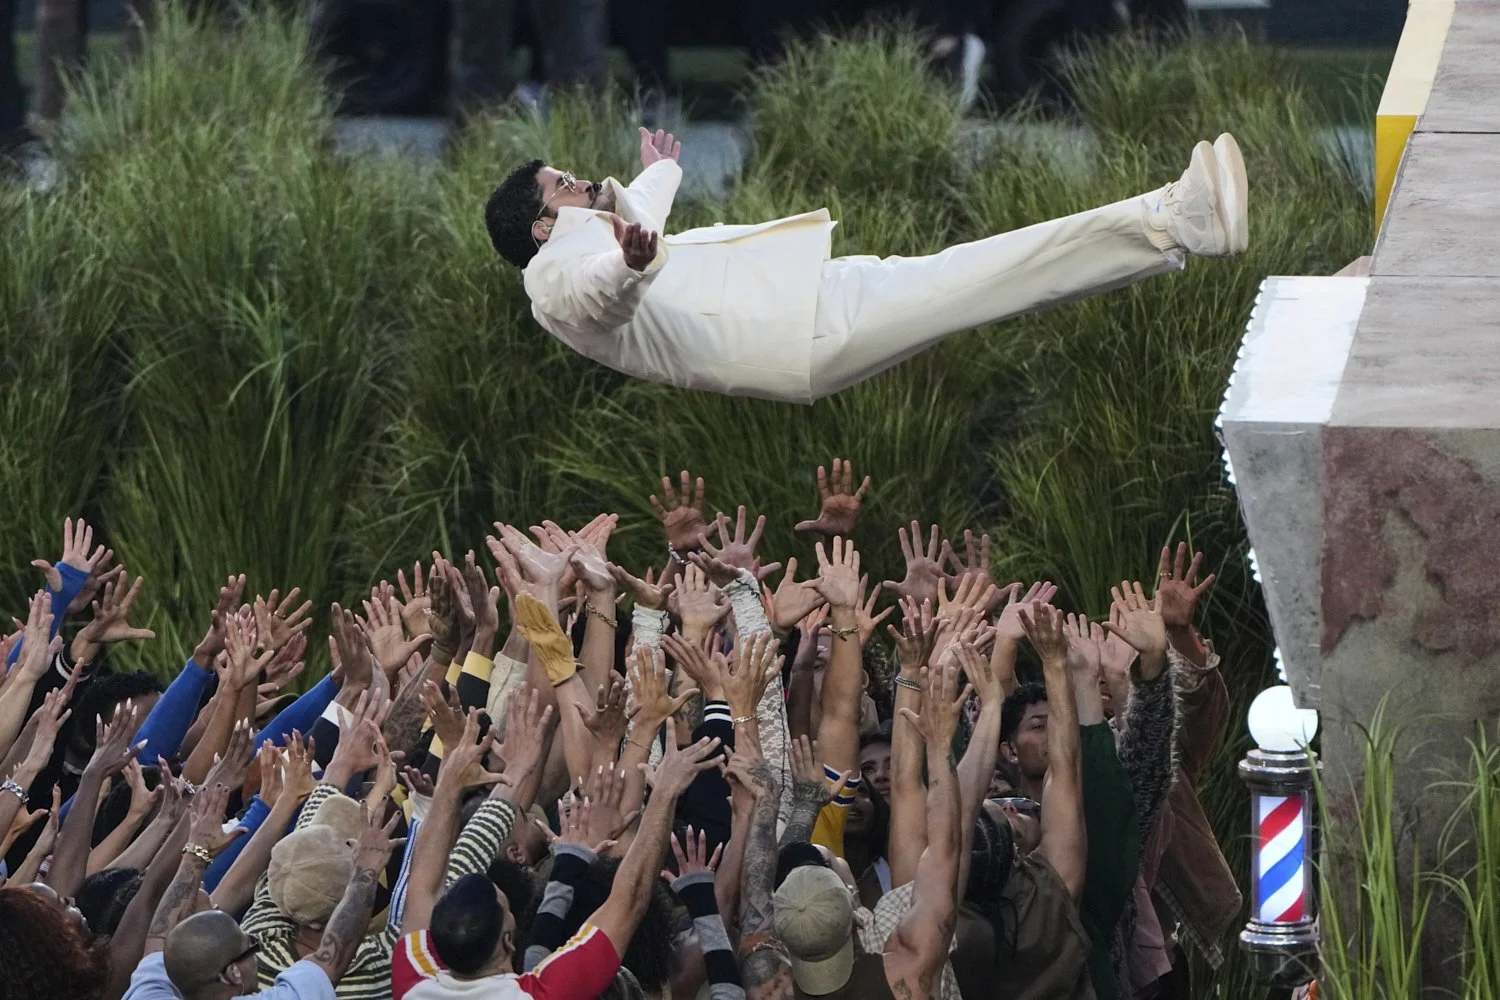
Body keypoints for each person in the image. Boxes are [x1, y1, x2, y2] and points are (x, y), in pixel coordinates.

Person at [483, 127, 1249, 404]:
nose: (583, 182)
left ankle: (1168, 225)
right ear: (544, 223)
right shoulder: (554, 279)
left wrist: (655, 176)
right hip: (800, 334)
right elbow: (600, 291)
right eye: (566, 185)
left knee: (984, 278)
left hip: (809, 304)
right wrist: (633, 267)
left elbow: (636, 221)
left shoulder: (598, 233)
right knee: (981, 276)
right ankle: (1172, 218)